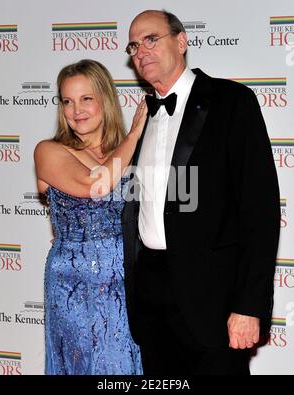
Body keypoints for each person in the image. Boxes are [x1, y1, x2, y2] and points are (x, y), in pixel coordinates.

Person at [121, 10, 280, 375]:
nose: (140, 50)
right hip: (152, 300)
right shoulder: (141, 117)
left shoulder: (231, 101)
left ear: (181, 41)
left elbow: (260, 210)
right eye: (133, 45)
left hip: (215, 302)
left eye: (151, 39)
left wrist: (250, 306)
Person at [34, 59, 147, 375]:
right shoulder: (49, 151)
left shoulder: (134, 153)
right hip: (74, 283)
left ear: (105, 100)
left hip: (127, 281)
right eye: (67, 101)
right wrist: (136, 131)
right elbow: (93, 185)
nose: (75, 110)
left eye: (86, 99)